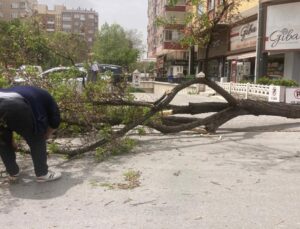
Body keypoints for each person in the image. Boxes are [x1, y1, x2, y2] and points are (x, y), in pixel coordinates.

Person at [0, 86, 61, 182]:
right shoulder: (47, 96)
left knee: (3, 141)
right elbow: (55, 119)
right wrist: (46, 134)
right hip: (18, 105)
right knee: (36, 138)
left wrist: (9, 140)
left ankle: (13, 172)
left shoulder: (13, 89)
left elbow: (5, 116)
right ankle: (42, 174)